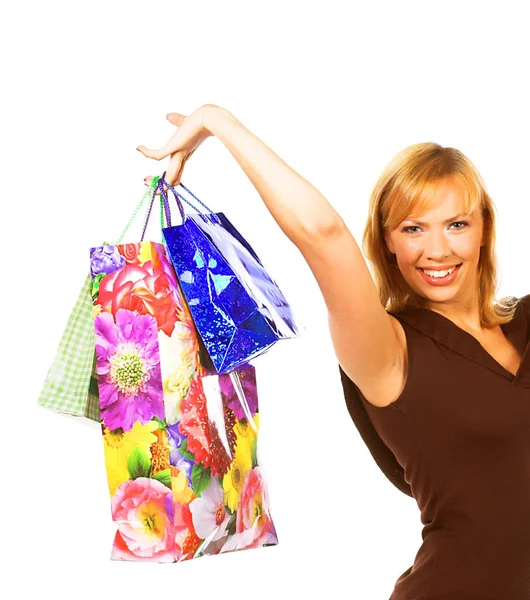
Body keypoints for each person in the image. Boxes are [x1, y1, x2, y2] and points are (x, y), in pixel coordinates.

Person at [137, 104, 530, 599]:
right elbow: (324, 236)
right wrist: (218, 121)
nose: (437, 249)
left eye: (456, 225)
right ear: (388, 241)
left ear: (484, 229)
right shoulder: (387, 349)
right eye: (413, 228)